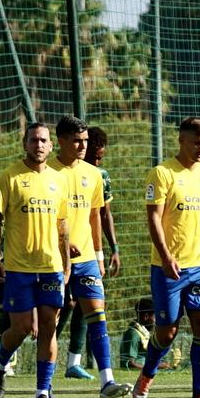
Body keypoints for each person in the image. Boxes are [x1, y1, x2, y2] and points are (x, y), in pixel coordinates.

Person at [133, 117, 200, 398]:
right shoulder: (162, 174)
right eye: (197, 142)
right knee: (167, 332)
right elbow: (153, 217)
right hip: (167, 266)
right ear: (181, 140)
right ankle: (147, 375)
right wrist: (166, 255)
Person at [0, 123, 73, 398]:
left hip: (50, 266)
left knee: (50, 325)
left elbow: (63, 225)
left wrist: (66, 263)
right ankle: (0, 363)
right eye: (34, 140)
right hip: (19, 267)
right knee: (22, 327)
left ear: (51, 146)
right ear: (25, 143)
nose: (39, 145)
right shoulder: (10, 177)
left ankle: (42, 393)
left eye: (44, 141)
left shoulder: (59, 180)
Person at [50, 116, 131, 398]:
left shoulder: (93, 174)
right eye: (76, 140)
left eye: (85, 140)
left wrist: (99, 254)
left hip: (85, 258)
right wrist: (61, 243)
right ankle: (23, 374)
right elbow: (42, 217)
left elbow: (95, 215)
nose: (83, 145)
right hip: (50, 259)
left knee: (97, 315)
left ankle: (107, 380)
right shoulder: (46, 171)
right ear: (60, 141)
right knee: (47, 321)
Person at [64, 126, 121, 380]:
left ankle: (104, 377)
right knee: (53, 311)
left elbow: (101, 215)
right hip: (55, 255)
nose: (97, 160)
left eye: (100, 156)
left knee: (92, 308)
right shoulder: (56, 172)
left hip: (87, 255)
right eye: (94, 157)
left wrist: (108, 250)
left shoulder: (98, 176)